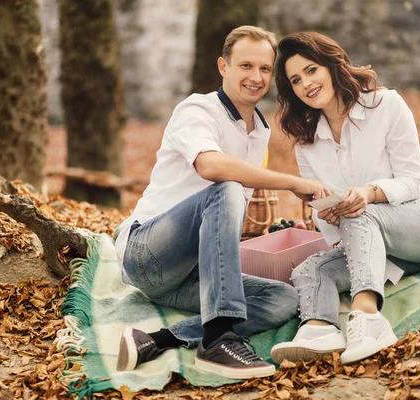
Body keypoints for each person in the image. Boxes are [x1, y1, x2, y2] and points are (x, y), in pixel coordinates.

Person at [114, 26, 332, 380]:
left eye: (264, 69)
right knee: (227, 186)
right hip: (147, 254)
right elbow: (211, 167)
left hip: (192, 276)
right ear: (223, 66)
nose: (256, 77)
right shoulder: (197, 109)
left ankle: (159, 339)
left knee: (283, 299)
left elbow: (226, 221)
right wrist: (292, 182)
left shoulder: (260, 130)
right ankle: (217, 340)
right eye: (246, 65)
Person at [270, 32, 420, 365]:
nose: (306, 83)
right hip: (379, 243)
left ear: (331, 66)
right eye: (296, 80)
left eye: (311, 70)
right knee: (309, 269)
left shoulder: (384, 104)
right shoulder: (306, 141)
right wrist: (327, 215)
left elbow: (415, 179)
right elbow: (324, 206)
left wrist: (369, 194)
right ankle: (319, 328)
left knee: (362, 212)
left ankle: (368, 317)